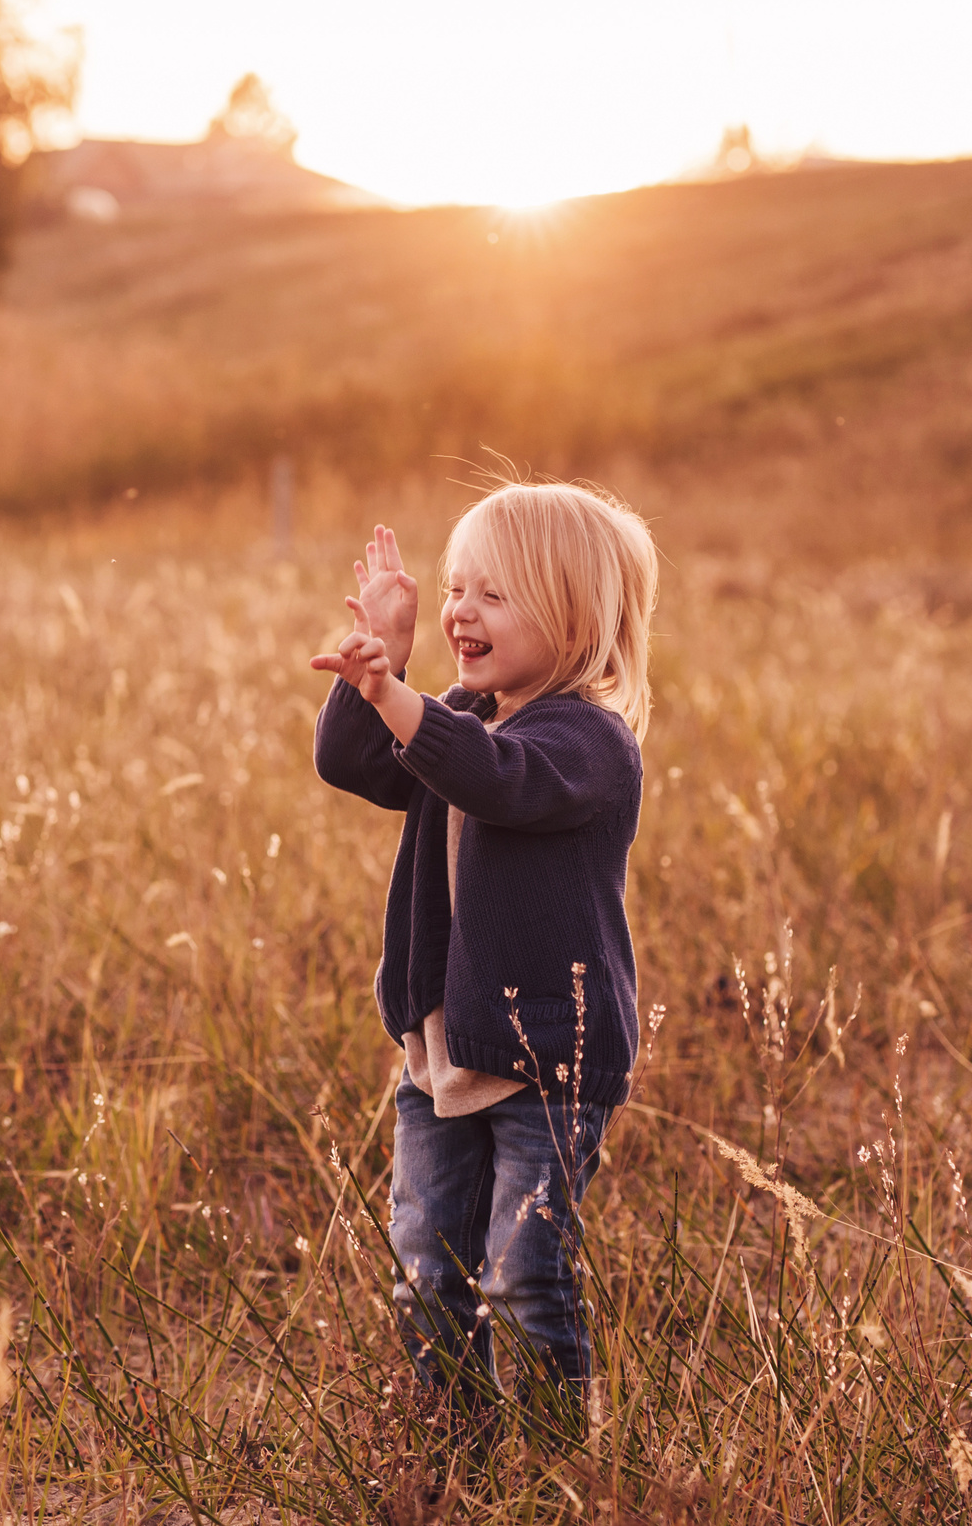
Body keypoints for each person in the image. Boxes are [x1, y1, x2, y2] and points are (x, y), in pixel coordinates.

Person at [308, 482, 657, 1426]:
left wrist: (402, 696)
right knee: (426, 1271)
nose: (461, 609)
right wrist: (371, 670)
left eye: (493, 594)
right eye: (457, 587)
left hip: (548, 1062)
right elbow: (356, 763)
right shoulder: (462, 710)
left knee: (521, 1275)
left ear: (574, 617)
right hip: (441, 1055)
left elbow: (496, 778)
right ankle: (451, 1450)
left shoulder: (589, 740)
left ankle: (551, 1476)